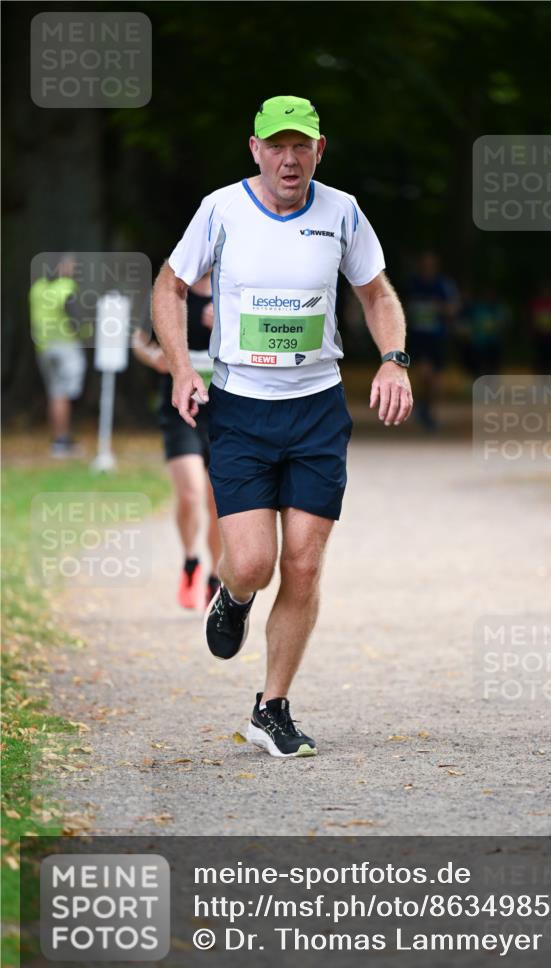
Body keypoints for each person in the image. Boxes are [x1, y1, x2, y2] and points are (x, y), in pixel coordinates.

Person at [152, 95, 412, 758]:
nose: (289, 158)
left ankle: (271, 706)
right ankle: (231, 596)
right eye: (277, 145)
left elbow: (377, 294)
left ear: (319, 150)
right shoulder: (222, 209)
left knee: (302, 561)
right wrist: (183, 368)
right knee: (252, 562)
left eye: (302, 146)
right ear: (255, 149)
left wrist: (393, 361)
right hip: (241, 407)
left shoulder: (343, 212)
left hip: (317, 407)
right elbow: (169, 286)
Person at [132, 273, 222, 610]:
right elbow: (138, 339)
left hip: (222, 411)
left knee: (217, 501)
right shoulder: (170, 292)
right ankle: (189, 562)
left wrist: (225, 327)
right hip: (179, 408)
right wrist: (154, 356)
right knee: (190, 493)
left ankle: (215, 577)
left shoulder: (232, 288)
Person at [29, 254, 86, 457]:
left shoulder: (38, 288)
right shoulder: (66, 287)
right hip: (65, 346)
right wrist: (85, 333)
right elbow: (74, 314)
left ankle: (59, 438)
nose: (74, 269)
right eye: (72, 265)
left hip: (44, 348)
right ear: (62, 267)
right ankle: (62, 441)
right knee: (64, 394)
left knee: (55, 393)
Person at [405, 251, 459, 431]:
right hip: (419, 338)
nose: (428, 268)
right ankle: (423, 408)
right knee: (424, 373)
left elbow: (453, 309)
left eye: (431, 265)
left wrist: (441, 309)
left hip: (438, 337)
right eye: (425, 265)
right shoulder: (413, 285)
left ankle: (427, 410)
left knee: (435, 381)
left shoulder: (444, 285)